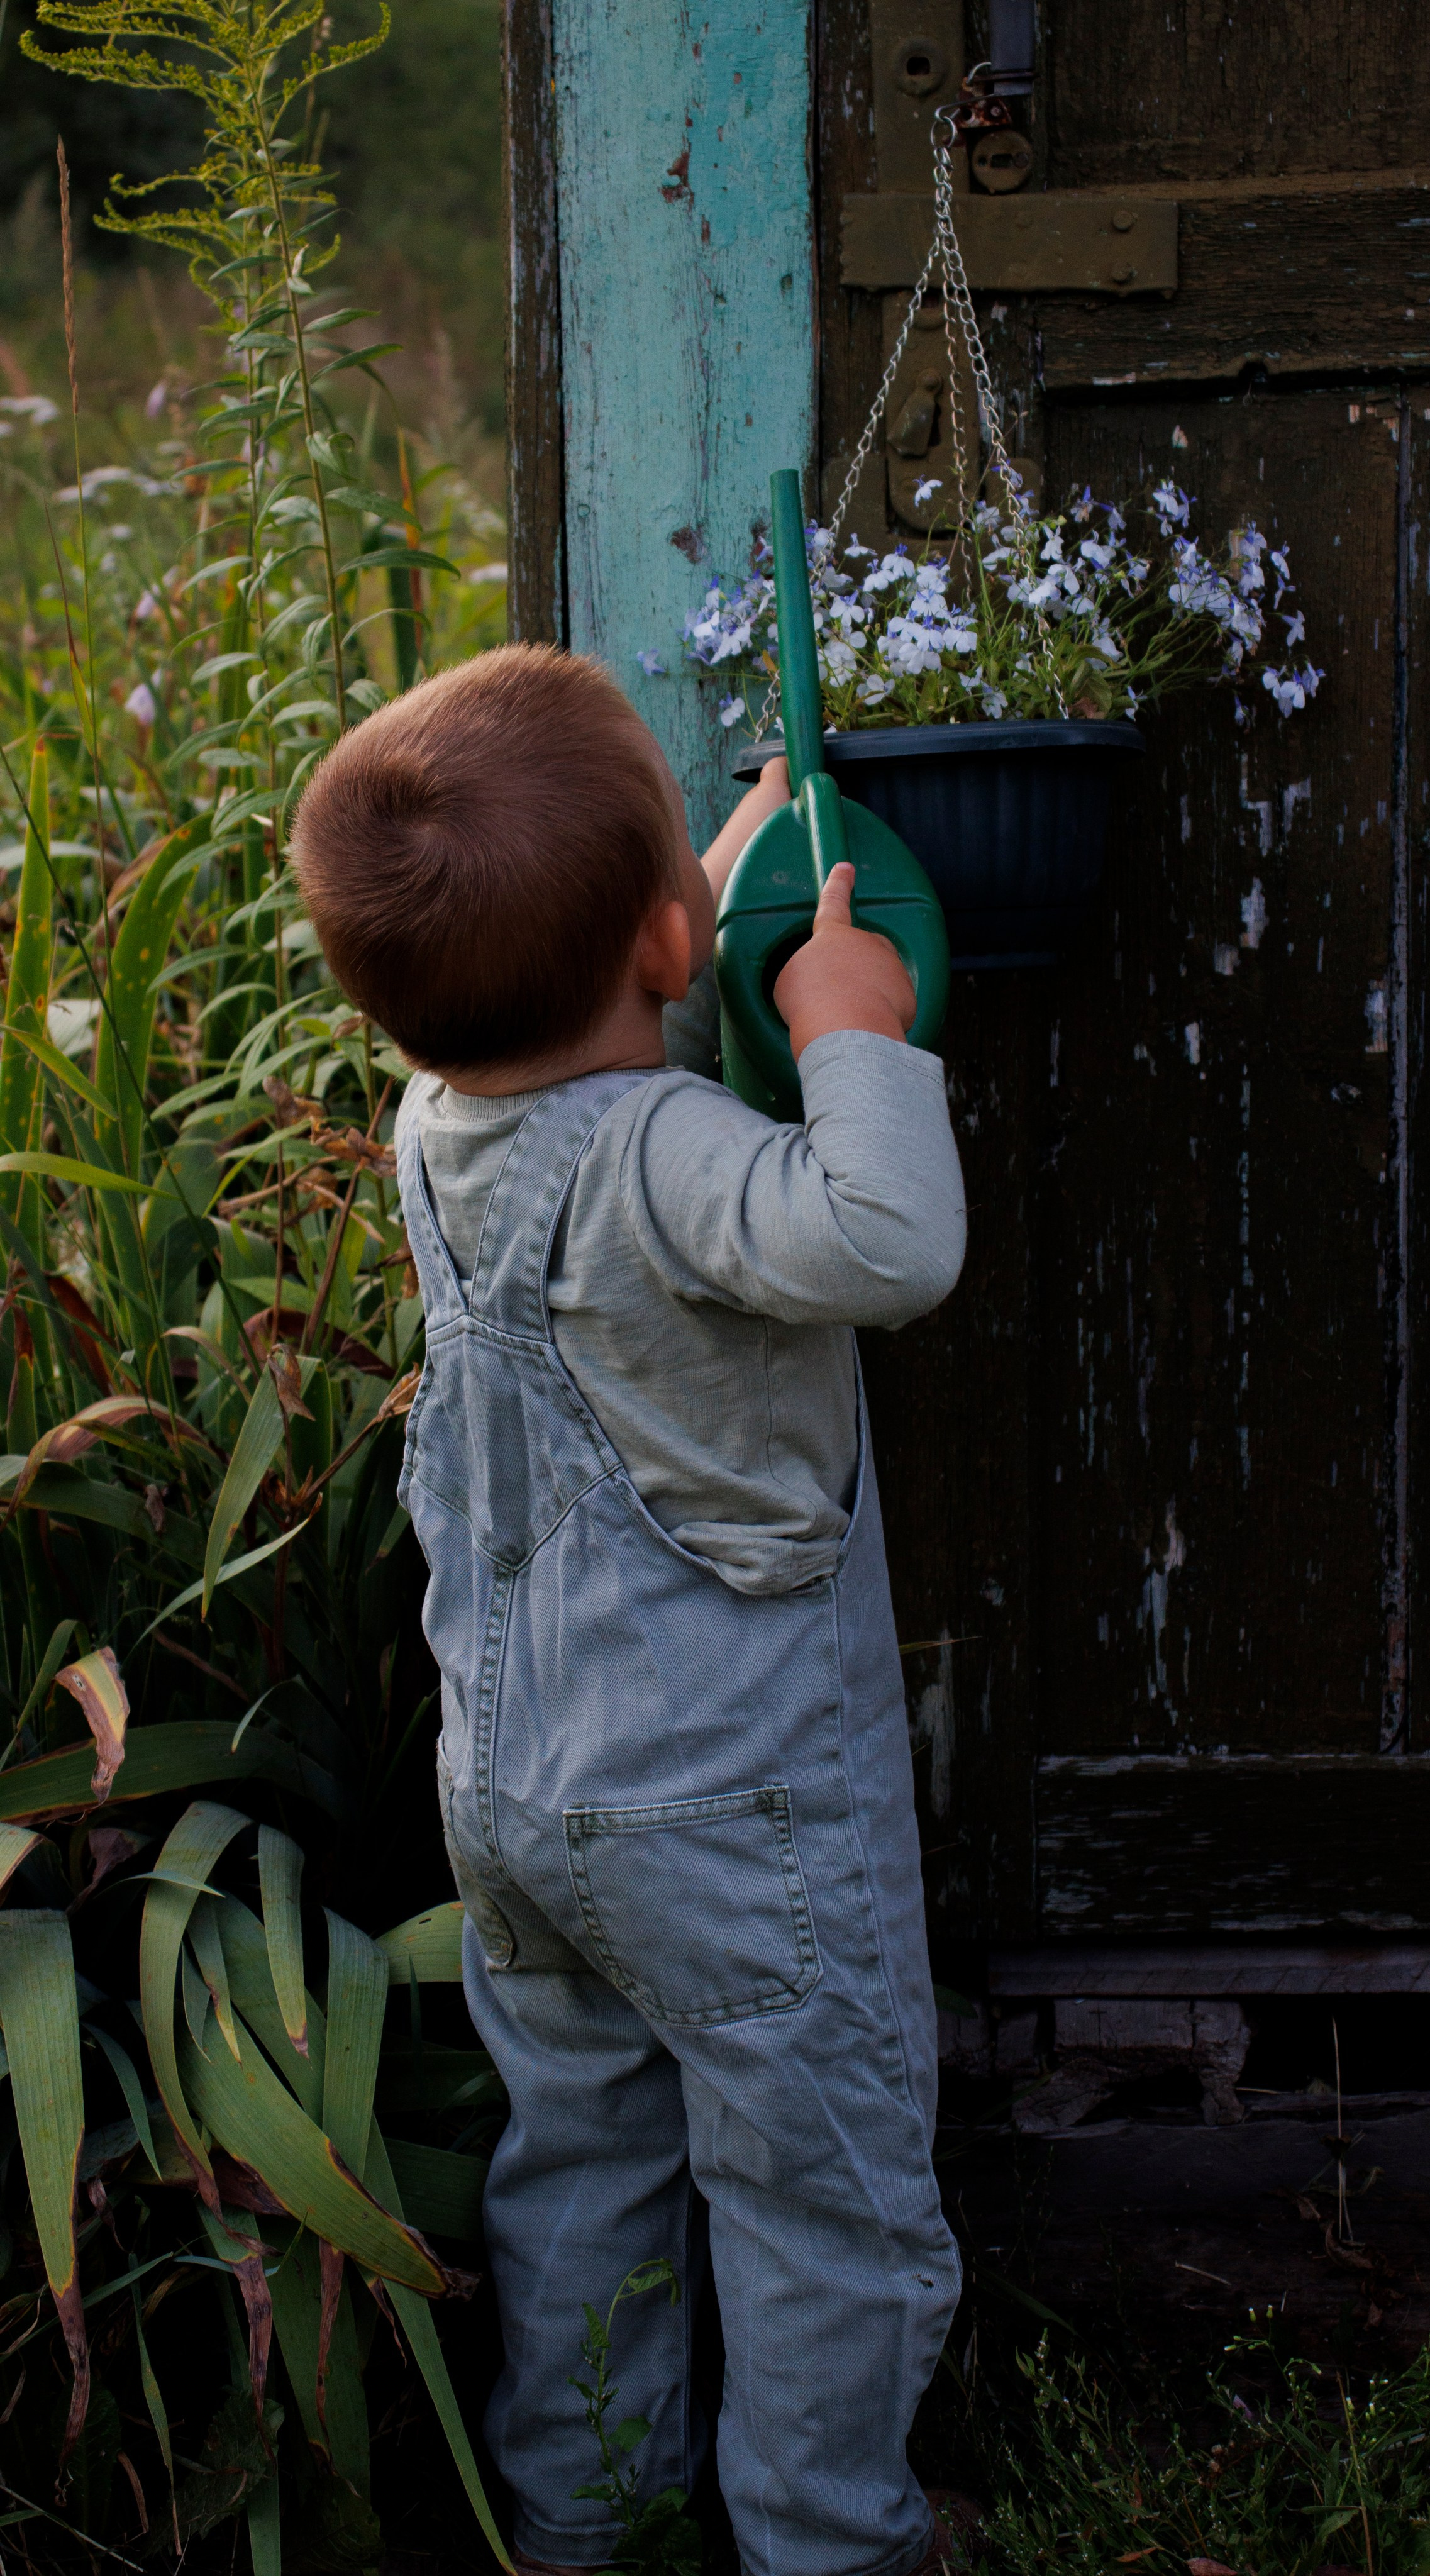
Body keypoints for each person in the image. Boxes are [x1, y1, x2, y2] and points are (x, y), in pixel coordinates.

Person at [291, 643, 967, 2576]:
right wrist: (847, 1023)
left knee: (579, 2162)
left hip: (518, 1803)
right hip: (733, 1816)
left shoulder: (442, 1128)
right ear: (677, 941)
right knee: (812, 2193)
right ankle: (827, 2542)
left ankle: (580, 2519)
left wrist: (707, 869)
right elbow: (882, 1239)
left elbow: (584, 1062)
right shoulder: (683, 1160)